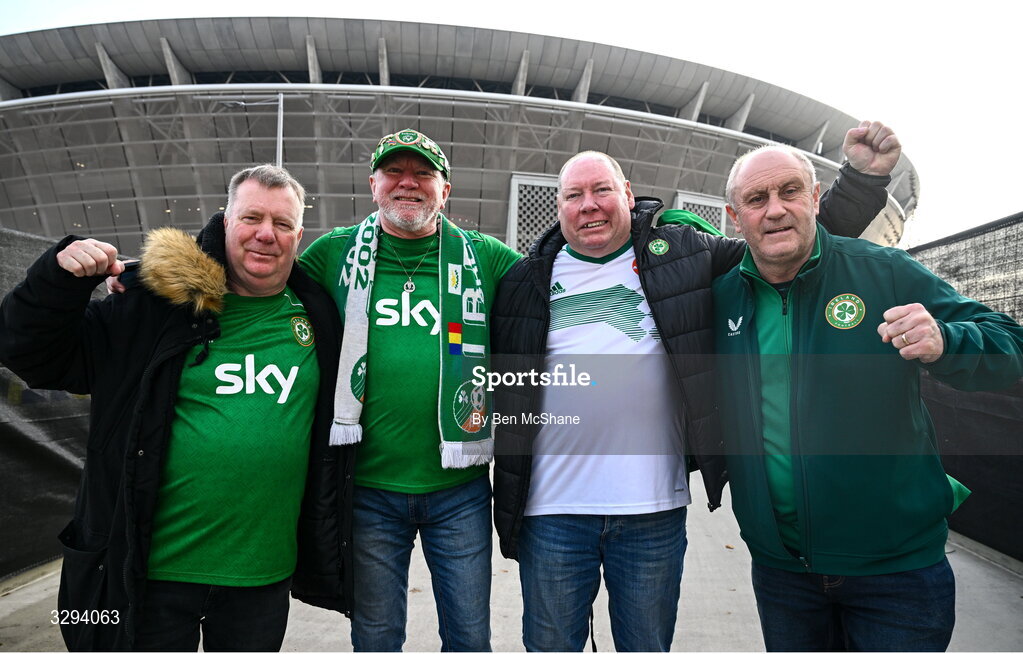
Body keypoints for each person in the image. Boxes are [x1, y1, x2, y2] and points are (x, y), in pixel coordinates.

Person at [490, 121, 901, 651]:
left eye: (601, 190)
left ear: (628, 197)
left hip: (651, 513)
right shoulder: (524, 280)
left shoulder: (683, 255)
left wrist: (862, 183)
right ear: (559, 206)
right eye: (574, 195)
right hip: (551, 514)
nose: (588, 205)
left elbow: (783, 245)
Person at [0, 165, 351, 651]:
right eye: (251, 217)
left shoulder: (320, 314)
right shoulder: (153, 304)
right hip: (148, 574)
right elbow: (34, 357)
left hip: (260, 579)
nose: (266, 234)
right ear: (226, 221)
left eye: (283, 223)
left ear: (299, 234)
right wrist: (57, 280)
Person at [713, 144, 1023, 651]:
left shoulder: (884, 271)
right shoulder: (723, 295)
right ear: (734, 216)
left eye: (790, 191)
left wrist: (948, 342)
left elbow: (1012, 342)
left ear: (815, 197)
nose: (775, 209)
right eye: (756, 198)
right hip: (783, 574)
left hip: (896, 574)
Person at [298, 129, 521, 651]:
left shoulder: (485, 258)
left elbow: (557, 280)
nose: (408, 183)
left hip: (459, 490)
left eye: (423, 174)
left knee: (469, 638)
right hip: (369, 491)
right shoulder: (332, 253)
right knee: (376, 638)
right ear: (373, 184)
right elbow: (254, 280)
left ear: (446, 190)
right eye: (394, 172)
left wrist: (658, 227)